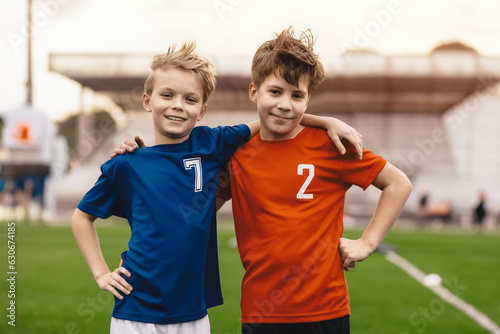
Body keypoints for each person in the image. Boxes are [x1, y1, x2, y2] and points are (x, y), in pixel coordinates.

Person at [74, 40, 362, 334]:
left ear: (202, 110)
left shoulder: (211, 144)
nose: (177, 105)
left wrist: (325, 121)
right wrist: (101, 273)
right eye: (167, 95)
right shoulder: (127, 163)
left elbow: (272, 117)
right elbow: (82, 216)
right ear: (147, 101)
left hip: (194, 312)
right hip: (135, 308)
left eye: (189, 99)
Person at [217, 27, 412, 333]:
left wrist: (367, 242)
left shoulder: (332, 145)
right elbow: (198, 209)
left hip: (325, 310)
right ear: (254, 91)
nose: (286, 104)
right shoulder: (236, 152)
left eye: (297, 96)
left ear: (308, 101)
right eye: (275, 91)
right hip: (260, 312)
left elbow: (398, 183)